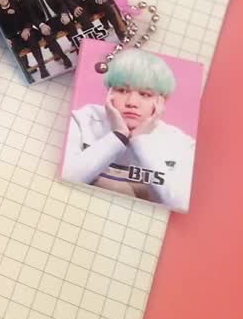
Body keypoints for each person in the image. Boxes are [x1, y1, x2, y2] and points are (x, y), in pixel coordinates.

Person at [62, 49, 195, 211]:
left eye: (145, 94)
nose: (132, 102)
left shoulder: (181, 144)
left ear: (162, 101)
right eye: (122, 91)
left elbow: (179, 204)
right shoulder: (83, 120)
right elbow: (66, 178)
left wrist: (140, 141)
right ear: (110, 92)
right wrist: (118, 136)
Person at [0, 0, 49, 81]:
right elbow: (3, 31)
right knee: (12, 49)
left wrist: (26, 29)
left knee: (31, 38)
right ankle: (26, 75)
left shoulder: (18, 6)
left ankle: (42, 68)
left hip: (26, 32)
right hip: (15, 38)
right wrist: (8, 39)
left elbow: (28, 19)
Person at [20, 0, 76, 69]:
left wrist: (64, 14)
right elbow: (33, 16)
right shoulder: (27, 0)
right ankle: (64, 58)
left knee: (70, 25)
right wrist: (41, 25)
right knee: (48, 37)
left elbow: (61, 3)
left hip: (58, 17)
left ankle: (80, 47)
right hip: (46, 23)